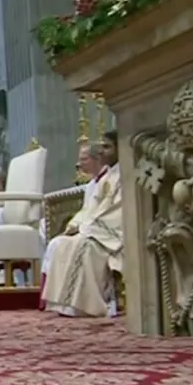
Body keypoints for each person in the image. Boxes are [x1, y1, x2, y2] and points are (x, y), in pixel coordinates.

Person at [41, 131, 123, 317]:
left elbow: (117, 212)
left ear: (121, 149)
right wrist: (75, 225)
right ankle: (64, 303)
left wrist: (86, 228)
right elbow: (90, 209)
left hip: (113, 235)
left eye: (107, 147)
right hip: (96, 230)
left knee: (83, 246)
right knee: (62, 244)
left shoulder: (124, 176)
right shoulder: (108, 177)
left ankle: (87, 305)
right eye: (101, 146)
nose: (102, 152)